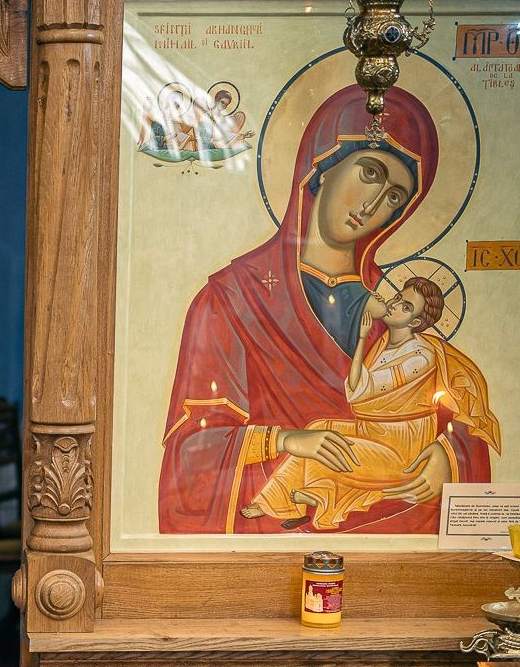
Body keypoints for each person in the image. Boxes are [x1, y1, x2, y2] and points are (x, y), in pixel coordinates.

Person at [159, 85, 495, 535]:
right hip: (278, 534)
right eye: (370, 173)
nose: (374, 206)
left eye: (396, 197)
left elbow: (461, 414)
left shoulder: (399, 309)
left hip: (394, 529)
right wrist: (285, 440)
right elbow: (192, 453)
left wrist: (449, 457)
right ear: (321, 167)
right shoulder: (230, 300)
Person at [242, 276, 499, 530]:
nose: (395, 304)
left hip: (401, 450)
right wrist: (364, 338)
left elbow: (361, 393)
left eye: (406, 307)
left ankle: (317, 497)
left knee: (329, 447)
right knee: (317, 427)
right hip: (374, 433)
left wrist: (363, 339)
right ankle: (284, 502)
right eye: (398, 297)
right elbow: (355, 388)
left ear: (416, 321)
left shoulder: (420, 357)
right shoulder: (385, 345)